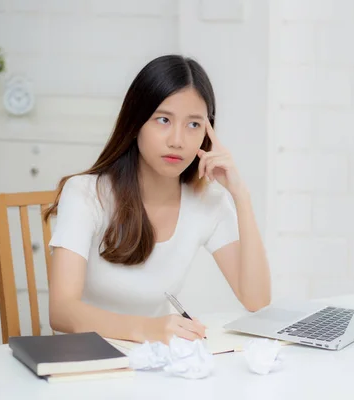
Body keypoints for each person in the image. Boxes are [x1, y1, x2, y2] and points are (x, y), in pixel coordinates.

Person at [44, 55, 271, 345]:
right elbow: (61, 312)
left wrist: (241, 195)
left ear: (207, 133)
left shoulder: (208, 201)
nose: (177, 140)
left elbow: (257, 300)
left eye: (193, 125)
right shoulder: (86, 194)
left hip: (156, 364)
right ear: (136, 122)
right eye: (163, 120)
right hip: (88, 361)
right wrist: (147, 329)